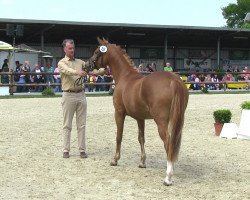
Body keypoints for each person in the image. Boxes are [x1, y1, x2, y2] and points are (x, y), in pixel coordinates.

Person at [58, 39, 105, 159]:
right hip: (68, 95)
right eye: (70, 48)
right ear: (64, 49)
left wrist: (102, 71)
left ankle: (82, 150)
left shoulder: (80, 62)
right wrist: (77, 72)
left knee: (82, 124)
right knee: (67, 124)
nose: (72, 50)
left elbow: (91, 70)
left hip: (81, 94)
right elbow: (67, 71)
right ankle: (66, 149)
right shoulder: (62, 63)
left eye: (73, 48)